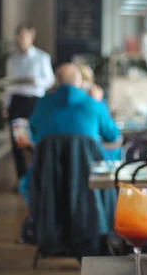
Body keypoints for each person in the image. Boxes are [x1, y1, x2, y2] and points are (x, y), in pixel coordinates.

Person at [17, 63, 122, 208]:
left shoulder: (42, 104)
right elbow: (112, 135)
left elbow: (34, 134)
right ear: (80, 82)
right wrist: (99, 103)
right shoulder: (92, 104)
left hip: (49, 174)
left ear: (57, 81)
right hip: (88, 176)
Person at [5, 24, 55, 183]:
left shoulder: (42, 58)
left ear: (31, 37)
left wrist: (36, 81)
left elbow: (50, 81)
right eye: (19, 37)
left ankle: (38, 178)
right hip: (17, 101)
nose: (21, 40)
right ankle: (22, 180)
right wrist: (5, 105)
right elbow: (8, 85)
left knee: (35, 141)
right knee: (17, 142)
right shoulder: (12, 59)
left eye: (24, 36)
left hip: (34, 101)